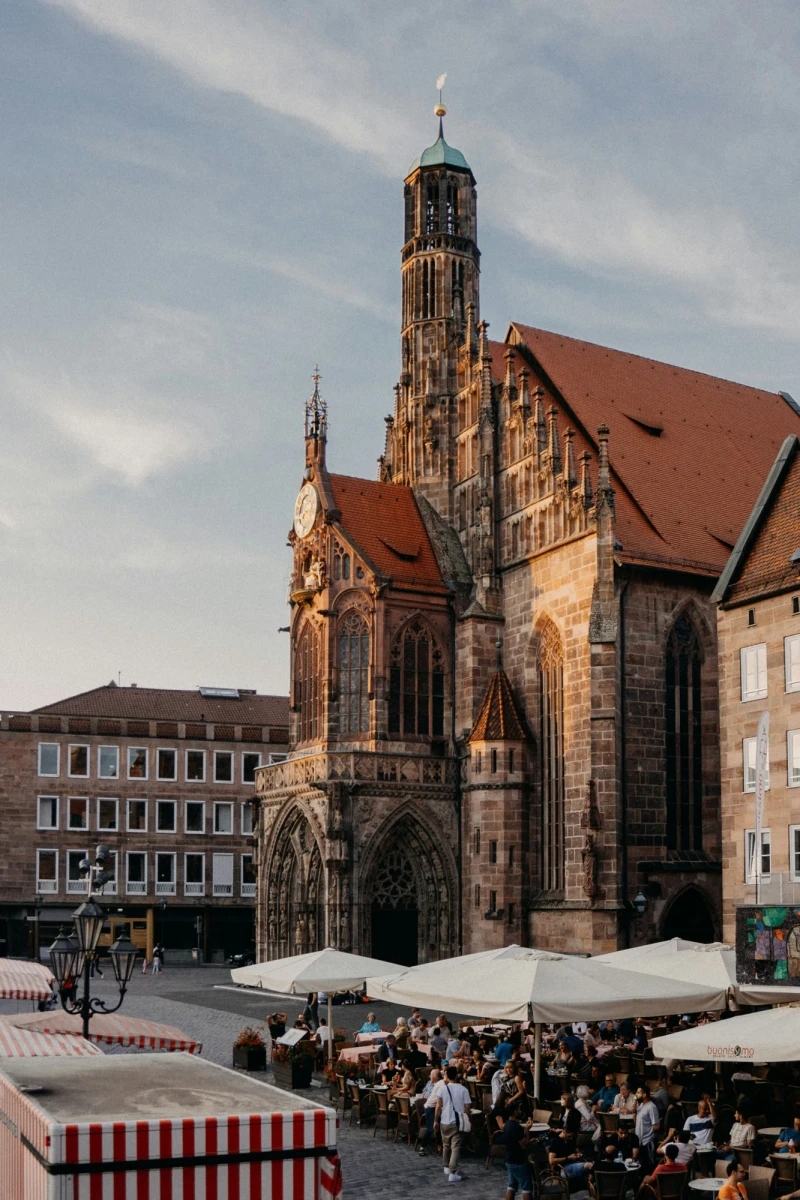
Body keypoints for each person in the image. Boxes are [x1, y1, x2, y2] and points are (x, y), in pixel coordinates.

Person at [434, 1065, 471, 1184]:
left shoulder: (442, 1089)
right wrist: (469, 1118)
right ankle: (453, 1171)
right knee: (455, 1147)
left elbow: (438, 1106)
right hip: (457, 1121)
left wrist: (436, 1120)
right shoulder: (463, 1089)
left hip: (444, 1120)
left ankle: (446, 1166)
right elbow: (467, 1107)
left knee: (446, 1145)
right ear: (456, 1075)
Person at [494, 1108, 533, 1200]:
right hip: (518, 1160)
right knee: (527, 1187)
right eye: (518, 1109)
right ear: (515, 1112)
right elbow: (524, 1145)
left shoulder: (506, 1125)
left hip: (509, 1159)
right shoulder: (516, 1127)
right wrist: (527, 1131)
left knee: (512, 1185)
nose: (519, 1111)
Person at [634, 1085, 660, 1170]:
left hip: (648, 1141)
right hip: (640, 1140)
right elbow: (636, 1121)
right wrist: (634, 1110)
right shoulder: (641, 1105)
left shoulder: (652, 1107)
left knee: (649, 1166)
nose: (636, 1094)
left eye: (638, 1092)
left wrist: (648, 1134)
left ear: (644, 1094)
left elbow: (656, 1126)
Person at [418, 1068, 442, 1155]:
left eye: (431, 1074)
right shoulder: (430, 1083)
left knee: (439, 1126)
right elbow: (424, 1094)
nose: (429, 1076)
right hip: (430, 1107)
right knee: (431, 1128)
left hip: (438, 1107)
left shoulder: (440, 1084)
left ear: (435, 1076)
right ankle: (422, 1146)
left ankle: (439, 1145)